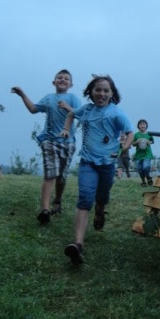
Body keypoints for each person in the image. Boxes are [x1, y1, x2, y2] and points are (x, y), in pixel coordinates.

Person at [61, 74, 133, 264]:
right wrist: (66, 129)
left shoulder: (116, 113)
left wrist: (125, 146)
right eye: (98, 90)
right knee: (85, 198)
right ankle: (77, 244)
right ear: (91, 92)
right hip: (87, 162)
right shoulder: (86, 110)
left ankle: (100, 209)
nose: (101, 93)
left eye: (105, 90)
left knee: (102, 196)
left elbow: (129, 132)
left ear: (112, 93)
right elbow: (71, 114)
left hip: (107, 164)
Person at [11, 69, 81, 224]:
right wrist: (22, 94)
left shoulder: (73, 98)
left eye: (66, 79)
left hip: (68, 142)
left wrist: (68, 108)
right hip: (49, 140)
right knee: (50, 174)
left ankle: (57, 200)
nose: (62, 80)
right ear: (53, 82)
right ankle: (45, 210)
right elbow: (33, 109)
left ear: (71, 84)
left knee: (61, 177)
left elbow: (81, 115)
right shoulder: (49, 98)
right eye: (59, 77)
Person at [133, 119, 154, 186]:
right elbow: (133, 144)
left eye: (144, 124)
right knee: (139, 169)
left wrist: (148, 141)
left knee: (145, 167)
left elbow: (152, 142)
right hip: (138, 155)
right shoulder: (136, 134)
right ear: (138, 126)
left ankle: (148, 177)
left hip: (147, 154)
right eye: (141, 124)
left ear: (146, 126)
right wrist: (137, 141)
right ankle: (143, 181)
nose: (142, 126)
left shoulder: (149, 134)